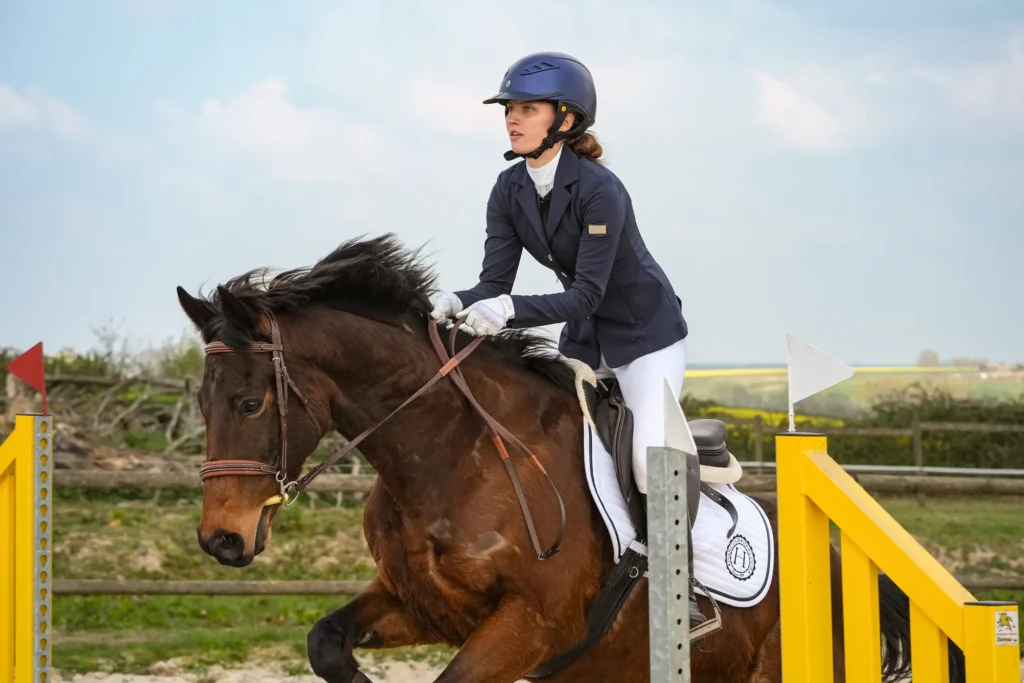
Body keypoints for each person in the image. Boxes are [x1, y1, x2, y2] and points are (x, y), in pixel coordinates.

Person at [429, 51, 712, 641]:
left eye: (526, 109)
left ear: (564, 119)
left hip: (644, 338)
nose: (512, 119)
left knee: (646, 455)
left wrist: (507, 312)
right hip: (584, 339)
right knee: (552, 444)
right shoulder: (508, 189)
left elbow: (586, 294)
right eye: (509, 109)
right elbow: (493, 286)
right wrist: (451, 301)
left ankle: (680, 587)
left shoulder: (601, 190)